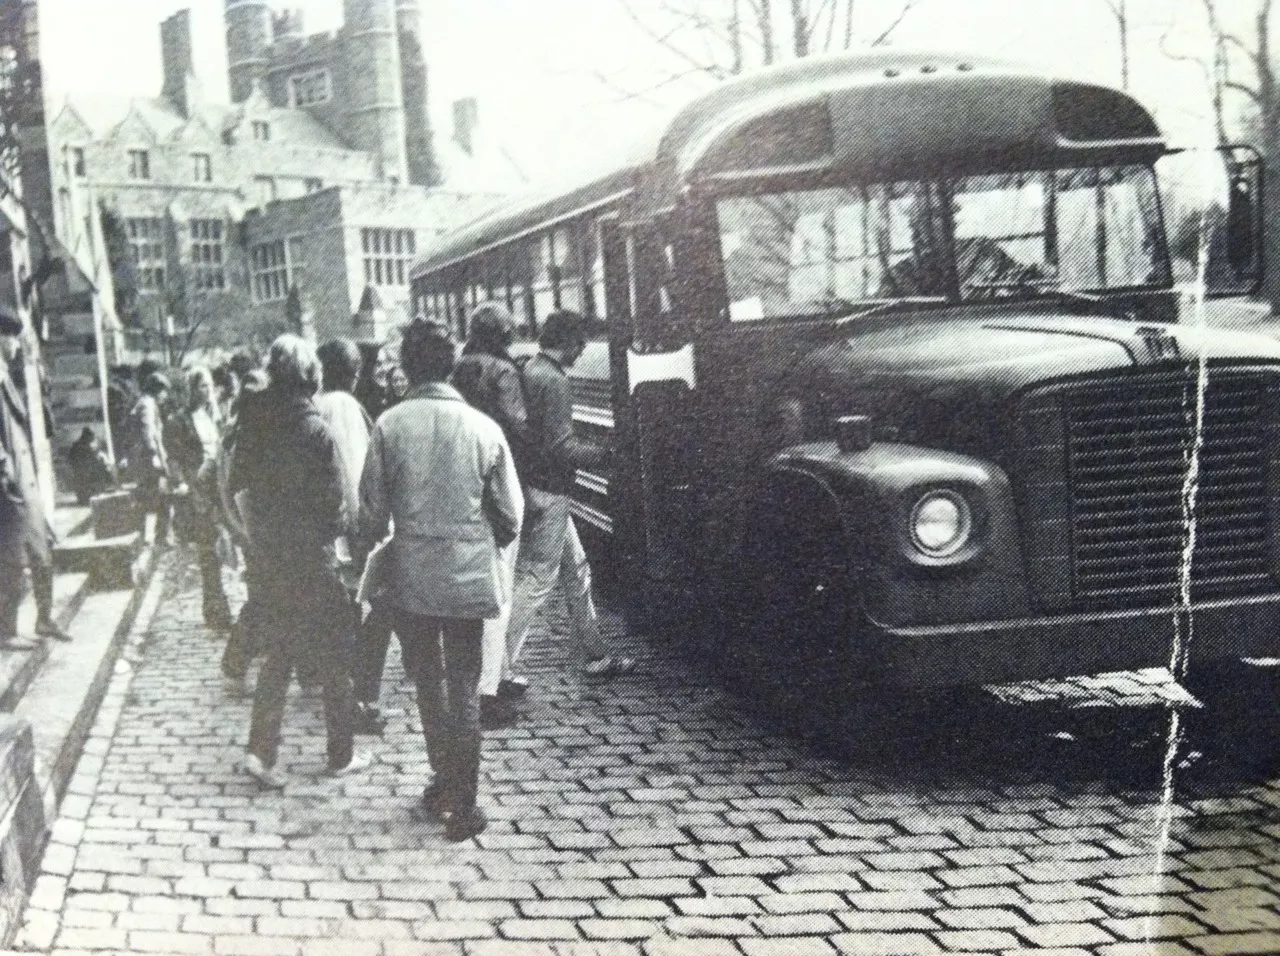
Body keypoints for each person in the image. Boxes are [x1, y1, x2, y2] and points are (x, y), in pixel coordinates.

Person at [359, 320, 522, 842]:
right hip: (469, 578)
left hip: (413, 577)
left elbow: (371, 511)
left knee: (428, 682)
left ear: (407, 366)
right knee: (467, 685)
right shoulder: (484, 428)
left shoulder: (388, 425)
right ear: (451, 364)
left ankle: (443, 779)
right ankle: (465, 803)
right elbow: (511, 513)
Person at [229, 335, 371, 787]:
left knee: (279, 654)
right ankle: (340, 753)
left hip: (270, 560)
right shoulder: (317, 432)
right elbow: (338, 510)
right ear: (312, 377)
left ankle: (260, 751)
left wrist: (257, 538)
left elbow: (240, 491)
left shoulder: (255, 427)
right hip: (312, 559)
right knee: (336, 656)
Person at [504, 310, 635, 685]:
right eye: (581, 343)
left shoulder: (530, 370)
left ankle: (596, 655)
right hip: (551, 491)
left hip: (536, 486)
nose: (582, 352)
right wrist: (606, 454)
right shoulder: (555, 380)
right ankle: (495, 668)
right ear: (571, 342)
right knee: (538, 580)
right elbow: (562, 447)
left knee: (576, 569)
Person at [451, 302, 531, 728]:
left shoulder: (459, 367)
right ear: (502, 334)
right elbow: (518, 426)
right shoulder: (503, 372)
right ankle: (489, 691)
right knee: (499, 588)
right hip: (498, 479)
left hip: (463, 482)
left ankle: (486, 679)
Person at [314, 338, 383, 735]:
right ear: (354, 374)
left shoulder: (318, 404)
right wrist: (364, 530)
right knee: (358, 616)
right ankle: (356, 703)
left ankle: (350, 697)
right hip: (346, 532)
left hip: (324, 530)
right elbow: (355, 471)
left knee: (344, 616)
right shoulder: (343, 406)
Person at [0, 309, 67, 649]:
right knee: (11, 561)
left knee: (43, 551)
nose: (15, 345)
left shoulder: (4, 377)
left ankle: (44, 618)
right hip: (8, 487)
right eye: (11, 337)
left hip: (25, 483)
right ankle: (6, 630)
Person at [169, 366, 231, 631]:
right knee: (208, 551)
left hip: (217, 489)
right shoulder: (180, 421)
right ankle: (216, 610)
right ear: (191, 390)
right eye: (201, 386)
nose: (207, 391)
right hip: (197, 491)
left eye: (209, 386)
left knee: (221, 548)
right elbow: (174, 458)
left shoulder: (213, 417)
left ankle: (219, 606)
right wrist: (182, 482)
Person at [125, 370, 173, 546]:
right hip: (148, 460)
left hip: (144, 459)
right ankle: (152, 537)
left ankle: (157, 536)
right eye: (164, 391)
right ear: (157, 389)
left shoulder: (145, 402)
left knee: (156, 497)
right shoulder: (147, 404)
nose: (165, 396)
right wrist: (156, 458)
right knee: (156, 498)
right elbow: (148, 433)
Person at [66, 426, 113, 505]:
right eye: (91, 437)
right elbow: (91, 457)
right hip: (84, 470)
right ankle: (87, 498)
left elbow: (71, 458)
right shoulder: (83, 446)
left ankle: (84, 499)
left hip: (81, 470)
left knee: (84, 485)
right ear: (87, 437)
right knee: (88, 483)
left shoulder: (77, 445)